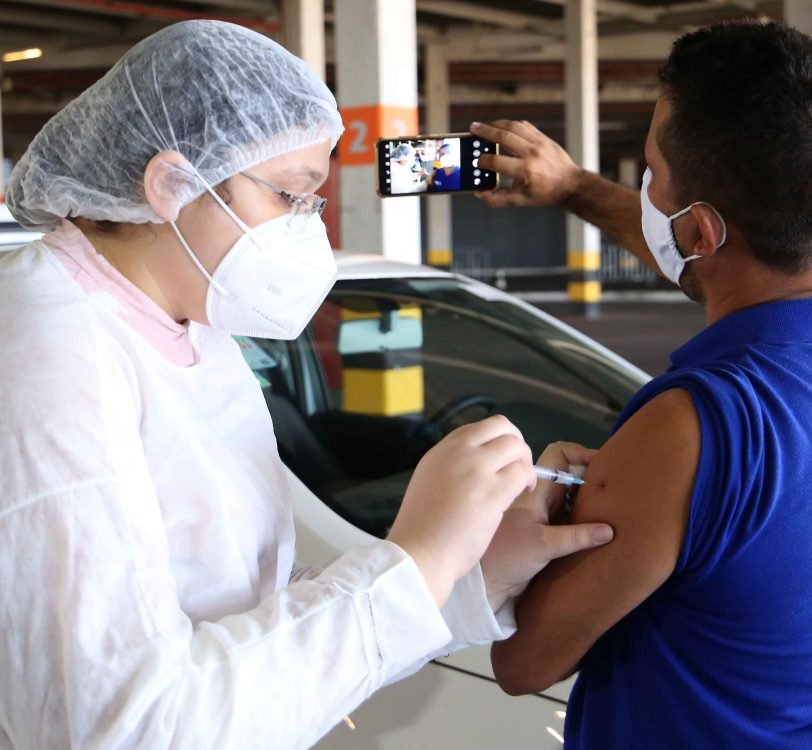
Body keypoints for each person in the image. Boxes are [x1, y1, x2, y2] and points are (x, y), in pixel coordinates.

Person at [0, 21, 615, 749]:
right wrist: (416, 562)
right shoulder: (47, 347)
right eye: (290, 195)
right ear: (170, 184)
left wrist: (468, 571)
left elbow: (259, 613)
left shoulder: (193, 331)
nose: (307, 231)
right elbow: (127, 727)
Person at [471, 20, 812, 749]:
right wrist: (572, 188)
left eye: (651, 173)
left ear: (702, 231)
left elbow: (523, 662)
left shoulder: (688, 427)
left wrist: (530, 523)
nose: (646, 189)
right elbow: (713, 266)